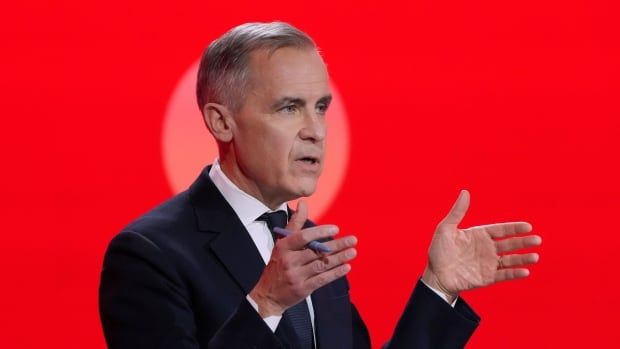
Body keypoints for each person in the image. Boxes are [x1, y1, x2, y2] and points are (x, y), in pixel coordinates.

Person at [99, 22, 542, 349]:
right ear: (221, 121)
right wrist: (265, 305)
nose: (316, 131)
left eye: (321, 107)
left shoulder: (308, 247)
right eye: (289, 108)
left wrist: (438, 287)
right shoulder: (149, 254)